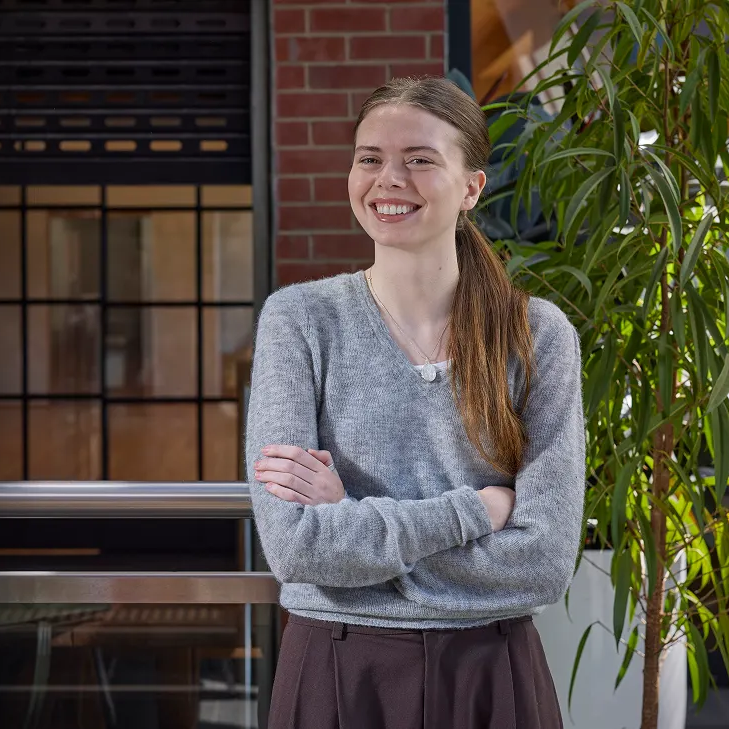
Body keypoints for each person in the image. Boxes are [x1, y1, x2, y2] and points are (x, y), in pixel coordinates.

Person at [245, 75, 586, 729]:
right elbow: (294, 547)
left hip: (491, 673)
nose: (387, 178)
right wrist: (476, 509)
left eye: (419, 159)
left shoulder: (537, 336)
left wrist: (349, 519)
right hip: (336, 674)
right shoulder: (299, 322)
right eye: (370, 157)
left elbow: (541, 565)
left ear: (471, 187)